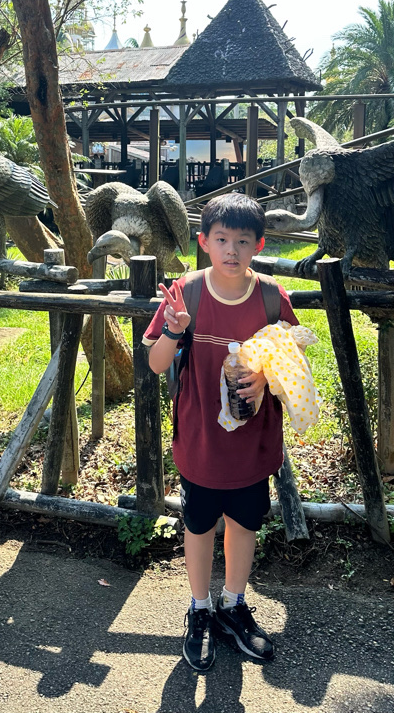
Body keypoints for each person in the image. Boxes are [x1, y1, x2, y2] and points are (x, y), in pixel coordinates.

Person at [144, 193, 298, 673]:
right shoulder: (186, 293)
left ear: (259, 245)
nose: (232, 250)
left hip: (252, 443)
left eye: (243, 241)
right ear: (204, 242)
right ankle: (199, 608)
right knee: (197, 526)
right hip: (200, 441)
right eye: (222, 239)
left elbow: (293, 360)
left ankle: (233, 604)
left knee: (244, 524)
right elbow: (156, 364)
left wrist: (265, 377)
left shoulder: (271, 297)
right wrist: (174, 330)